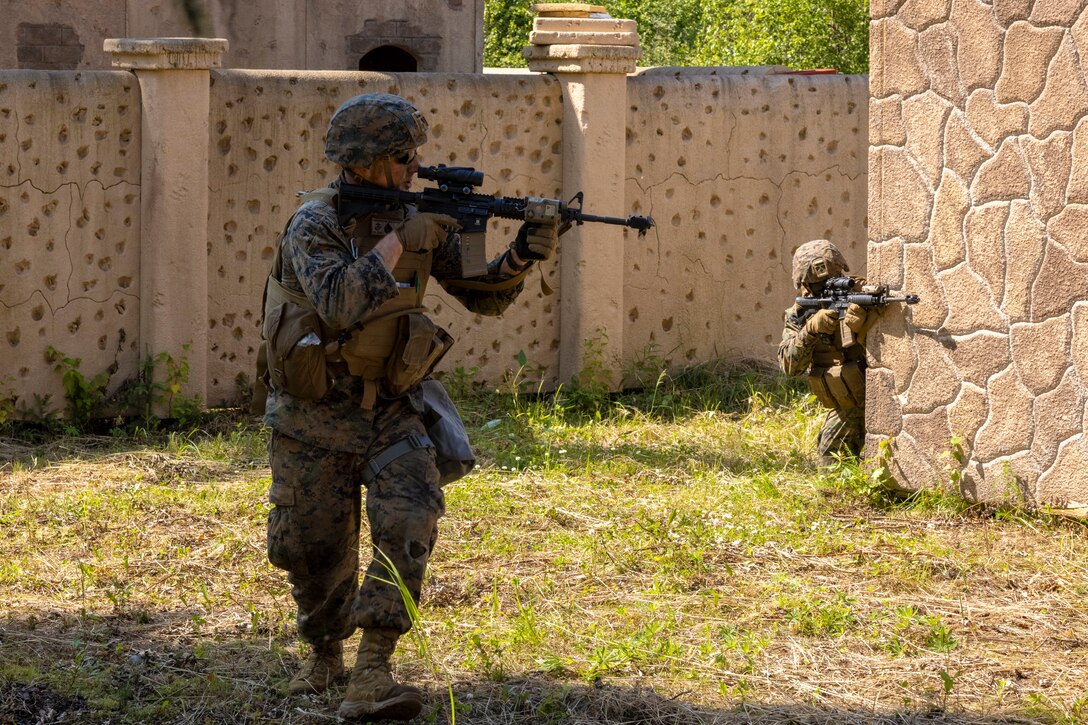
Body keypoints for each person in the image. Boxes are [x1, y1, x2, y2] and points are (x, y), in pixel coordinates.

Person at [258, 92, 558, 721]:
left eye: (414, 152)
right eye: (402, 156)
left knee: (411, 515)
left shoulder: (413, 213)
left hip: (392, 404)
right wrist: (401, 239)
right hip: (314, 413)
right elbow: (339, 303)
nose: (415, 165)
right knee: (314, 551)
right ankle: (323, 658)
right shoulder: (316, 224)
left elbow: (481, 295)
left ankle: (373, 670)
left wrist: (526, 252)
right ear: (363, 161)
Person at [777, 239, 870, 465]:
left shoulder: (861, 294)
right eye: (821, 286)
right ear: (805, 285)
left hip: (870, 392)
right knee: (829, 458)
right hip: (846, 397)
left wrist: (866, 325)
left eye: (835, 279)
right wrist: (810, 330)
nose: (831, 286)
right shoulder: (801, 313)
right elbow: (789, 367)